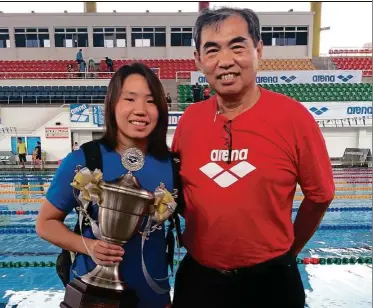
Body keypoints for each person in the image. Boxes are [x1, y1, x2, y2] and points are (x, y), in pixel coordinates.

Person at [171, 7, 335, 308]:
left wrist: (288, 252)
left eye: (237, 47)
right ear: (198, 60)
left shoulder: (293, 117)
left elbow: (321, 195)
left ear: (258, 49)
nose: (225, 61)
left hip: (271, 283)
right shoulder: (190, 120)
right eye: (212, 50)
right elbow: (178, 191)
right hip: (199, 281)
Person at [36, 63, 176, 308]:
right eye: (130, 99)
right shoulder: (83, 160)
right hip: (94, 295)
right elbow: (45, 224)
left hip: (154, 295)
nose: (140, 110)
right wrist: (88, 246)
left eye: (151, 101)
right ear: (112, 105)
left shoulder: (171, 165)